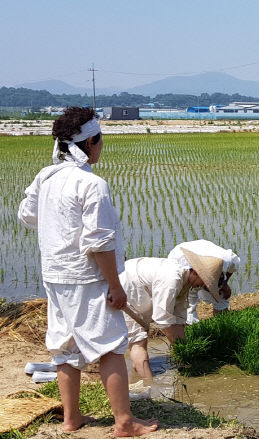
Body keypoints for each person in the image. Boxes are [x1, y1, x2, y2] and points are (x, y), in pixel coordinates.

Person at [17, 107, 157, 436]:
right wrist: (115, 286)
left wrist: (58, 222)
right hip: (87, 277)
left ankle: (71, 419)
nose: (101, 146)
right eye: (100, 140)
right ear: (90, 142)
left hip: (54, 275)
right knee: (110, 346)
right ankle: (124, 423)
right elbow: (100, 242)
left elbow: (27, 214)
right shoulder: (92, 184)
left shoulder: (46, 176)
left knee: (64, 348)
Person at [120, 247, 227, 380]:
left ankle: (140, 378)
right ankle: (147, 389)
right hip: (127, 288)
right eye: (204, 283)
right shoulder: (172, 280)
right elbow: (162, 318)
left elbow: (178, 315)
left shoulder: (185, 280)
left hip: (141, 289)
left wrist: (183, 352)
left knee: (149, 335)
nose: (201, 287)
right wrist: (180, 348)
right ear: (197, 274)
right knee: (139, 341)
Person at [167, 240, 241, 324]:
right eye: (205, 286)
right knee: (187, 306)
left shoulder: (227, 260)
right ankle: (191, 328)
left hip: (205, 253)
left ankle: (223, 322)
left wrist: (224, 284)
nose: (200, 287)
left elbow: (232, 268)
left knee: (221, 297)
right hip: (183, 256)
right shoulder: (179, 266)